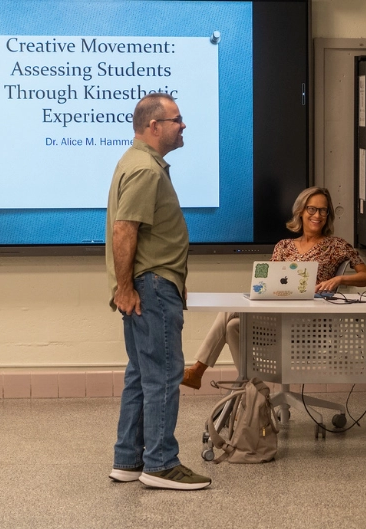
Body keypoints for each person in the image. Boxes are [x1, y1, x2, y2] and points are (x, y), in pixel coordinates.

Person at [105, 93, 211, 490]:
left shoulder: (135, 163)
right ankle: (161, 464)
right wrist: (127, 287)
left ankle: (129, 460)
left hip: (147, 285)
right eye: (177, 119)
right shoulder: (145, 170)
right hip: (151, 286)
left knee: (141, 374)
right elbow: (124, 229)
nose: (183, 126)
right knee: (164, 376)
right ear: (154, 126)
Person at [181, 186, 366, 389]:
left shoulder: (337, 245)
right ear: (301, 211)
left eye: (323, 210)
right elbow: (267, 284)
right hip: (277, 319)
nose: (317, 215)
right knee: (232, 326)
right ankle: (254, 389)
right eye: (311, 209)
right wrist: (260, 280)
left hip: (311, 325)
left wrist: (339, 281)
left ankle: (200, 372)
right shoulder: (284, 246)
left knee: (228, 312)